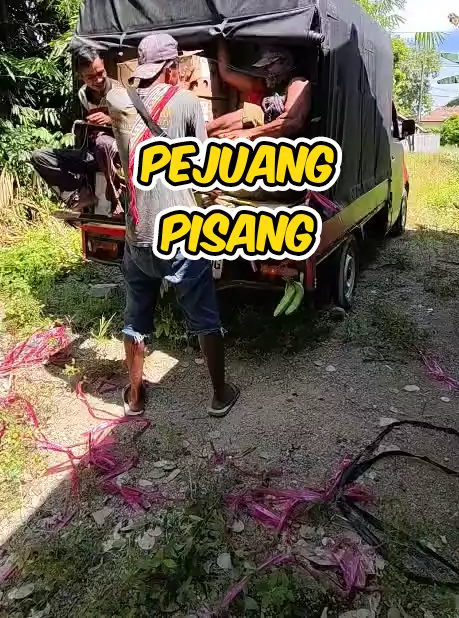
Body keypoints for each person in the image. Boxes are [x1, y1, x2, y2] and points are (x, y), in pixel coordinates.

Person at [120, 32, 239, 419]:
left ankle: (135, 397)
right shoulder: (186, 102)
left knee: (136, 318)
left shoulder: (123, 104)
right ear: (171, 68)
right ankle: (220, 395)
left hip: (138, 235)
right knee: (204, 315)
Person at [31, 48, 124, 216]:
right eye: (91, 77)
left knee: (103, 143)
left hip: (116, 156)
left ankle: (116, 201)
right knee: (40, 156)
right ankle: (79, 195)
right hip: (89, 155)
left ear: (103, 65)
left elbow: (135, 124)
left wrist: (111, 120)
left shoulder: (120, 91)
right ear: (81, 77)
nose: (98, 79)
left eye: (100, 73)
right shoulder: (82, 95)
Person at [206, 42, 311, 140]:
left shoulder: (298, 82)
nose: (265, 71)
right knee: (210, 130)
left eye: (269, 66)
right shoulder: (269, 86)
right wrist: (221, 40)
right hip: (260, 121)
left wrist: (249, 134)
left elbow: (291, 123)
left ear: (283, 62)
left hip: (273, 135)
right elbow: (227, 73)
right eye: (264, 67)